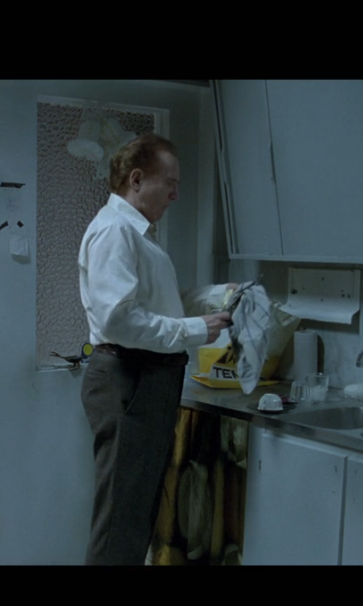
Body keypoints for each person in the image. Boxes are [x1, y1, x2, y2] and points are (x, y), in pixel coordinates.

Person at [78, 133, 232, 565]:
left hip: (144, 381)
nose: (176, 194)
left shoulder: (136, 233)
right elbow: (119, 320)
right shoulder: (115, 232)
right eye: (170, 183)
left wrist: (218, 296)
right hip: (130, 379)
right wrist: (194, 330)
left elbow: (156, 304)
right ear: (137, 179)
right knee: (120, 520)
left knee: (134, 513)